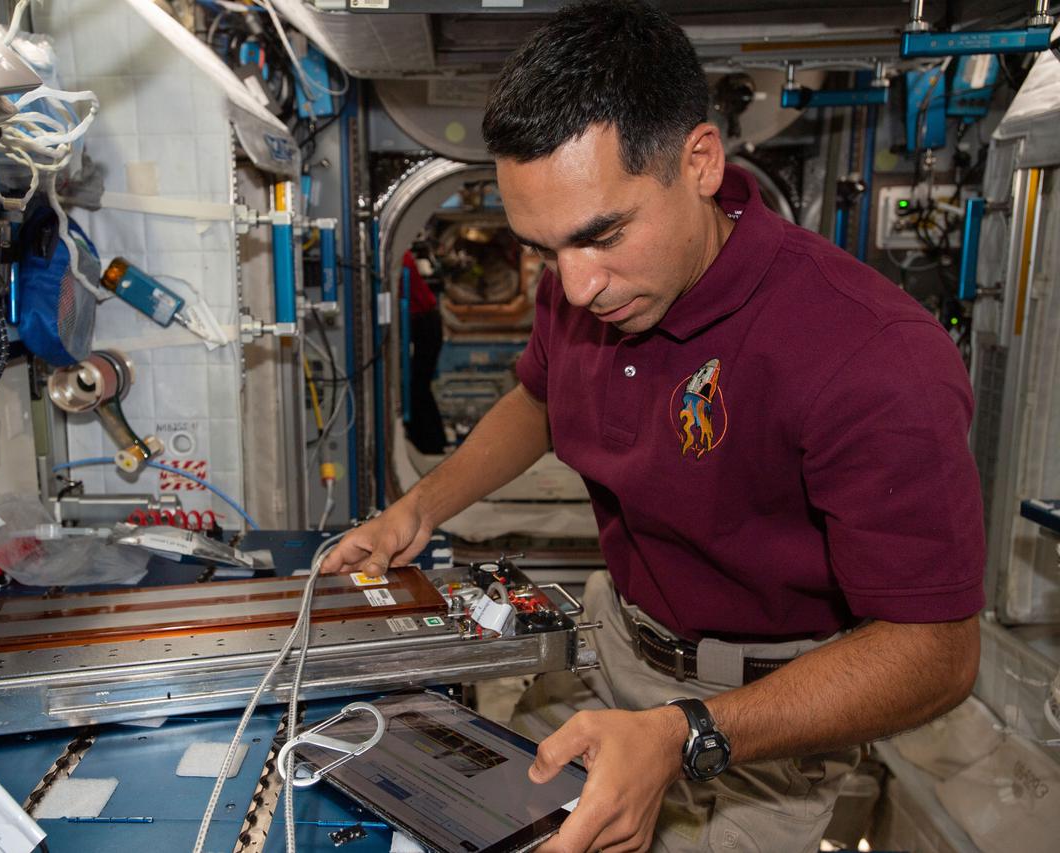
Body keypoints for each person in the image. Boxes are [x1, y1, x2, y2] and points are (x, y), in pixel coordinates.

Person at [321, 2, 985, 851]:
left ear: (699, 161)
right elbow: (539, 399)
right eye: (546, 247)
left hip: (765, 714)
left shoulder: (869, 353)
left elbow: (936, 652)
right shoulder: (583, 284)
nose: (577, 284)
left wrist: (687, 733)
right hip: (613, 651)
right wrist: (421, 506)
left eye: (602, 235)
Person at [401, 248, 446, 454]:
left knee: (417, 385)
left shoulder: (399, 256)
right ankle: (432, 440)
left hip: (424, 323)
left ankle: (431, 442)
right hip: (424, 322)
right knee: (418, 385)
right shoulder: (402, 254)